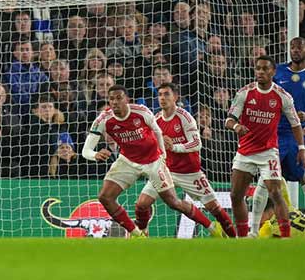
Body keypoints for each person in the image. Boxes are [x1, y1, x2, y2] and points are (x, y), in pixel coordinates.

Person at [81, 85, 219, 238]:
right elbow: (85, 151)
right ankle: (137, 234)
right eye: (111, 99)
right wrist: (95, 155)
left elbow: (158, 132)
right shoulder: (103, 119)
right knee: (105, 197)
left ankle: (211, 226)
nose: (114, 102)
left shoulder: (141, 112)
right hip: (127, 160)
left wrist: (163, 156)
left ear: (127, 99)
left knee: (173, 202)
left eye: (119, 98)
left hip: (154, 161)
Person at [132, 83, 236, 237]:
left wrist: (174, 147)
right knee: (141, 204)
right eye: (160, 94)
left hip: (190, 173)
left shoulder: (185, 117)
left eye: (166, 94)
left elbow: (197, 143)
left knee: (215, 209)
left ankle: (235, 238)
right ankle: (141, 234)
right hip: (166, 171)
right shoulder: (156, 119)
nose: (162, 98)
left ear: (175, 97)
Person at [225, 55, 305, 238]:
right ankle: (244, 237)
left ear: (273, 72)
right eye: (258, 68)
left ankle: (285, 237)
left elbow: (295, 123)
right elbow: (229, 120)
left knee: (276, 192)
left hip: (269, 152)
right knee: (236, 196)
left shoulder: (282, 96)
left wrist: (301, 148)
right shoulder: (244, 93)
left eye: (265, 69)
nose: (260, 72)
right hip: (245, 152)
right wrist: (236, 126)